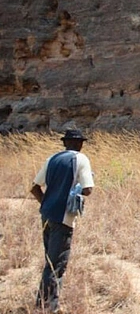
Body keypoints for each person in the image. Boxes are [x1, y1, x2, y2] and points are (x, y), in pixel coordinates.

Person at [30, 129, 94, 313]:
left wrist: (47, 202)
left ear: (65, 143)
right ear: (80, 144)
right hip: (64, 217)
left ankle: (43, 303)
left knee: (50, 260)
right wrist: (76, 192)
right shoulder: (81, 159)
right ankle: (48, 307)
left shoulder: (52, 159)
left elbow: (34, 188)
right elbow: (88, 189)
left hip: (47, 215)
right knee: (57, 264)